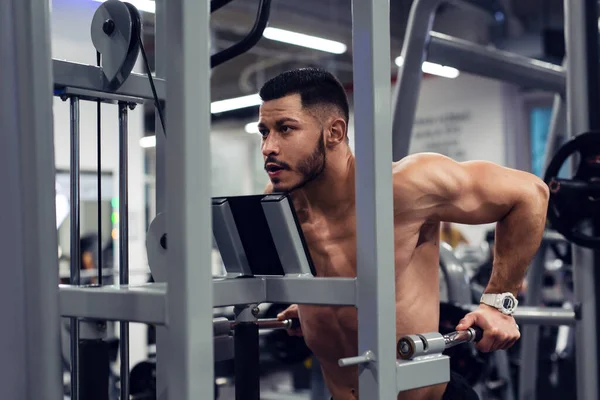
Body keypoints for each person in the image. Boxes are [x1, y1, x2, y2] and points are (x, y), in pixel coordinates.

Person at [257, 68, 549, 400]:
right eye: (264, 132)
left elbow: (529, 193)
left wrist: (498, 304)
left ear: (334, 132)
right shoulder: (283, 202)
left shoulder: (403, 187)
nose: (269, 146)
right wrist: (313, 306)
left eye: (286, 129)